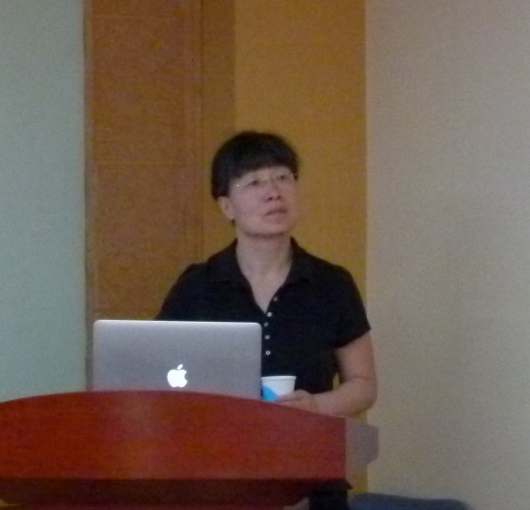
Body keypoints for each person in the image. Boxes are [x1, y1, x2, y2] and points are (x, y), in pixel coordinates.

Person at [158, 131, 376, 510]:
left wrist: (316, 407)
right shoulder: (197, 286)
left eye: (283, 177)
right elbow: (154, 379)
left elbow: (363, 385)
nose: (273, 192)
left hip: (313, 480)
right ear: (226, 206)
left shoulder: (332, 283)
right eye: (254, 182)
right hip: (217, 482)